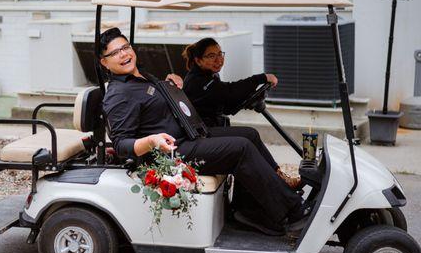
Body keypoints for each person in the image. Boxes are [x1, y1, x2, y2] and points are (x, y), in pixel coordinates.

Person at [99, 27, 309, 236]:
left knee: (248, 134)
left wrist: (169, 82)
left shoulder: (142, 76)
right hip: (171, 152)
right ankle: (294, 212)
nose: (124, 54)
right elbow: (121, 145)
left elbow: (152, 102)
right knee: (241, 148)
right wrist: (153, 141)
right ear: (104, 62)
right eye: (115, 53)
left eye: (125, 47)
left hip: (189, 134)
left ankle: (250, 211)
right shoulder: (119, 94)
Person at [182, 37, 300, 189]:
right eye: (211, 56)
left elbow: (225, 104)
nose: (218, 59)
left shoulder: (209, 76)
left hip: (211, 128)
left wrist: (247, 100)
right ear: (198, 61)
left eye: (220, 54)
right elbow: (229, 91)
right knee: (250, 135)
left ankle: (277, 179)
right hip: (202, 134)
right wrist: (261, 78)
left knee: (249, 135)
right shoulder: (198, 81)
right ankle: (279, 181)